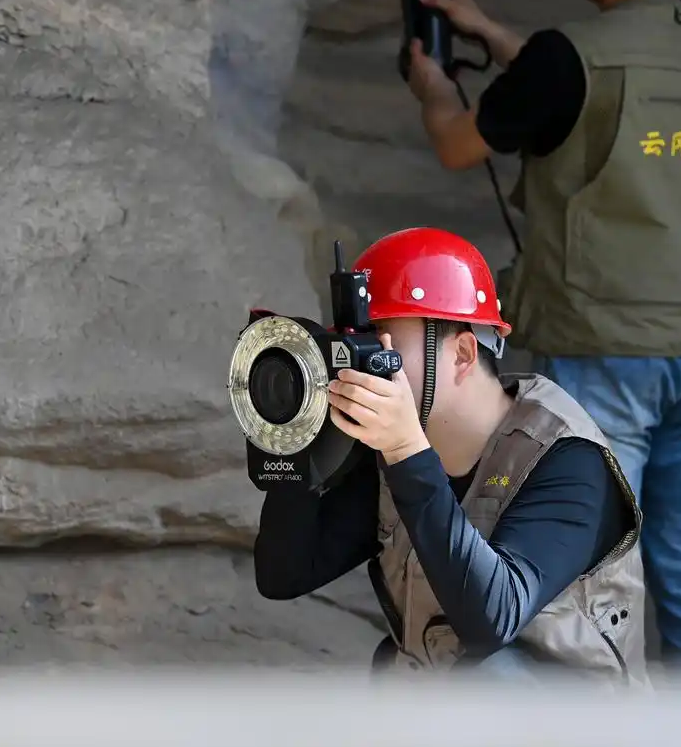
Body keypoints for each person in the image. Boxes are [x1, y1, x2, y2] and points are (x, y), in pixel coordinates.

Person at [402, 0, 681, 675]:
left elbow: (456, 143)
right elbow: (572, 78)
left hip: (602, 351)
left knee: (572, 582)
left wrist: (434, 85)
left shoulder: (572, 59)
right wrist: (489, 30)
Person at [254, 226, 648, 685]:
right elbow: (284, 575)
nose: (364, 367)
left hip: (577, 738)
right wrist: (294, 439)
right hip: (453, 717)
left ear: (462, 352)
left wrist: (406, 451)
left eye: (382, 345)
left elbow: (492, 620)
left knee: (489, 678)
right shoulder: (389, 452)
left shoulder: (567, 459)